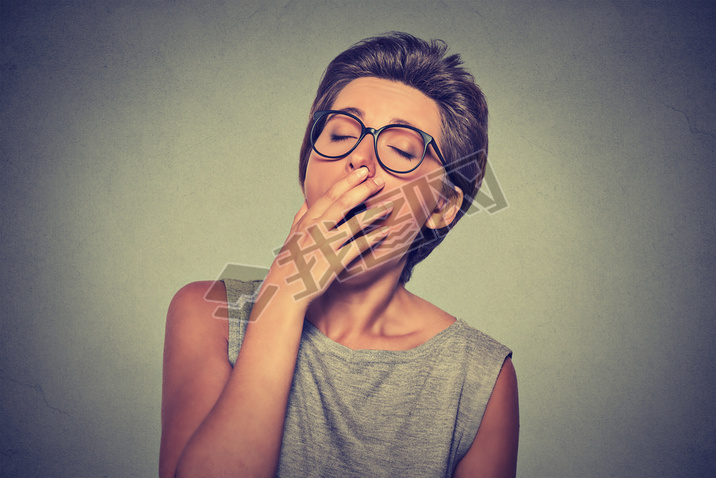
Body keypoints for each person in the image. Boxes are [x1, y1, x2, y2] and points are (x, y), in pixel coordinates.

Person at [160, 32, 518, 477]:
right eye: (341, 133)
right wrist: (286, 291)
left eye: (402, 150)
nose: (359, 160)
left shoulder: (478, 376)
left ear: (443, 205)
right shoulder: (206, 314)